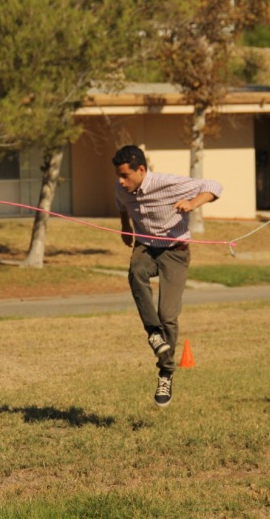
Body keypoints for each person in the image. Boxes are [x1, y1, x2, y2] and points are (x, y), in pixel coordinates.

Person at [112, 145, 223, 407]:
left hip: (175, 252)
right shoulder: (121, 187)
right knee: (136, 271)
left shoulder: (168, 184)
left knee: (168, 315)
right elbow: (122, 204)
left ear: (141, 170)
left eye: (125, 176)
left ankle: (166, 371)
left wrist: (192, 203)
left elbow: (215, 186)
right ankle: (154, 334)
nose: (120, 181)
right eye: (118, 175)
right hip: (146, 247)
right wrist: (125, 227)